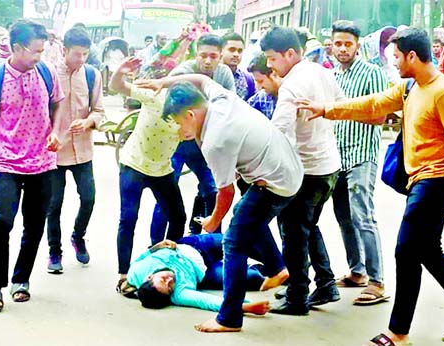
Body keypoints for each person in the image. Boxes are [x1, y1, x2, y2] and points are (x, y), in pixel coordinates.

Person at [297, 27, 444, 345]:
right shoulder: (410, 87)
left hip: (437, 181)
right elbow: (373, 105)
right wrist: (327, 110)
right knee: (427, 250)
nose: (394, 63)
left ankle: (399, 331)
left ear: (412, 56)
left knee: (406, 251)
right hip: (419, 181)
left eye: (396, 57)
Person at [135, 73, 303, 333]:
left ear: (190, 115)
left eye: (180, 123)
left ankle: (229, 318)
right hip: (287, 168)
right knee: (245, 217)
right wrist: (163, 83)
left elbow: (225, 192)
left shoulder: (215, 140)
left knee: (233, 243)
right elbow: (201, 78)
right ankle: (277, 269)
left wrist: (213, 221)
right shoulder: (219, 98)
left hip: (275, 184)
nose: (180, 131)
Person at [0, 19, 64, 313]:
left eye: (42, 51)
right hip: (6, 159)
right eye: (35, 51)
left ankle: (21, 280)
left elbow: (57, 104)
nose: (39, 56)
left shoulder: (47, 72)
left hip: (42, 161)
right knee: (2, 221)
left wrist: (55, 131)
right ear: (16, 48)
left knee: (35, 224)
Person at [258, 26, 342, 316]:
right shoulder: (321, 71)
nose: (270, 65)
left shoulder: (291, 85)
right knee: (308, 228)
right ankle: (326, 284)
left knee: (294, 233)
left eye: (271, 58)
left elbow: (282, 133)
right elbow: (338, 105)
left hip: (305, 172)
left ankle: (297, 297)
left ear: (289, 53)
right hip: (329, 167)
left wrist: (271, 173)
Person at [108, 56, 186, 292]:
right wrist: (120, 72)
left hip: (162, 169)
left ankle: (166, 265)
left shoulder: (193, 111)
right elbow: (117, 87)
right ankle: (124, 276)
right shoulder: (155, 97)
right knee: (128, 219)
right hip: (134, 165)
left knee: (179, 216)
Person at [150, 34, 235, 239]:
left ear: (220, 55)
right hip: (177, 142)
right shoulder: (182, 73)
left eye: (213, 56)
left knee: (212, 191)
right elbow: (168, 109)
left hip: (204, 145)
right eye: (203, 55)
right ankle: (155, 244)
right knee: (166, 194)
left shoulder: (224, 75)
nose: (208, 60)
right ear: (196, 54)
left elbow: (228, 108)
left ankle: (213, 243)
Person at [329, 21, 389, 305]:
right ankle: (358, 272)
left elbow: (379, 116)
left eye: (348, 44)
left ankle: (378, 281)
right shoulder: (335, 76)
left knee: (363, 217)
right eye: (338, 43)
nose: (342, 49)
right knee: (344, 218)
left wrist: (339, 112)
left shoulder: (372, 73)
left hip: (361, 156)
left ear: (358, 45)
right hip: (336, 157)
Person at [46, 28, 105, 273]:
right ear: (64, 50)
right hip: (54, 152)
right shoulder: (47, 73)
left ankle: (78, 237)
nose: (81, 59)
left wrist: (89, 121)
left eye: (85, 54)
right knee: (54, 204)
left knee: (89, 198)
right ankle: (54, 252)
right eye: (76, 54)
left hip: (82, 151)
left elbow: (99, 110)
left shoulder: (92, 74)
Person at [123, 234, 279, 313]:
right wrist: (244, 307)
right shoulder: (179, 294)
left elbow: (142, 256)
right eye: (170, 286)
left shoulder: (135, 273)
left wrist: (158, 246)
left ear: (150, 276)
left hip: (196, 245)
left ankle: (282, 266)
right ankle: (261, 269)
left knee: (241, 239)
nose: (170, 280)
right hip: (206, 271)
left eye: (163, 279)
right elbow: (207, 301)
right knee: (254, 279)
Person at [221, 32, 255, 100]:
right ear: (221, 50)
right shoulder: (212, 74)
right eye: (232, 50)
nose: (236, 54)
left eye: (240, 51)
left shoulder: (248, 79)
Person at [246, 52, 281, 119]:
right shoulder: (261, 97)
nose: (259, 87)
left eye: (261, 81)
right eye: (256, 82)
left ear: (274, 74)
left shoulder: (290, 95)